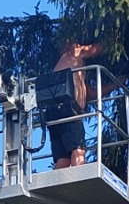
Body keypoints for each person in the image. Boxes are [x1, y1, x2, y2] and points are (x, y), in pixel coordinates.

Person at [41, 40, 103, 170]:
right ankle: (81, 185)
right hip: (68, 108)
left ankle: (56, 188)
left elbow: (91, 94)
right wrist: (115, 41)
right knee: (78, 150)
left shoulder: (71, 68)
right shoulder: (73, 53)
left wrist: (116, 83)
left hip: (54, 110)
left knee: (63, 159)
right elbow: (96, 49)